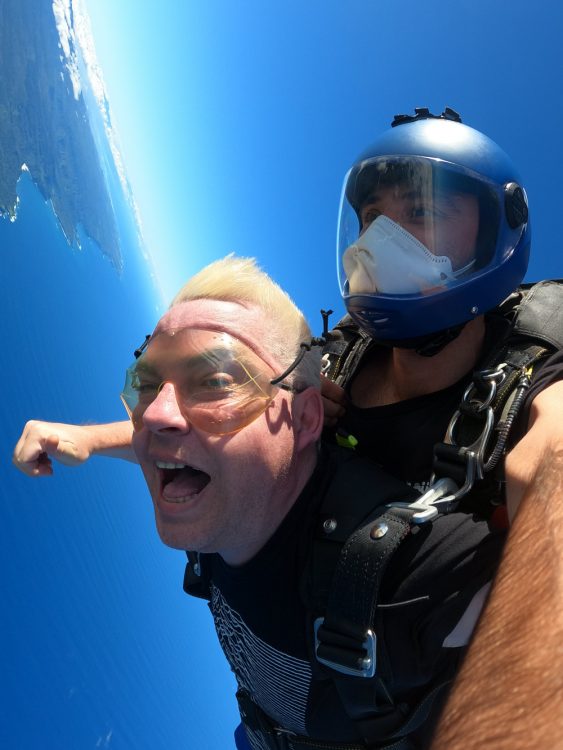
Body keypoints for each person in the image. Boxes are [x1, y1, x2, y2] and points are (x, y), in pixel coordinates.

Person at [13, 255, 504, 749]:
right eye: (145, 384)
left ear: (306, 420)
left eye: (216, 382)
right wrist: (88, 439)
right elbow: (179, 434)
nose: (158, 414)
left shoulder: (410, 574)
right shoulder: (221, 489)